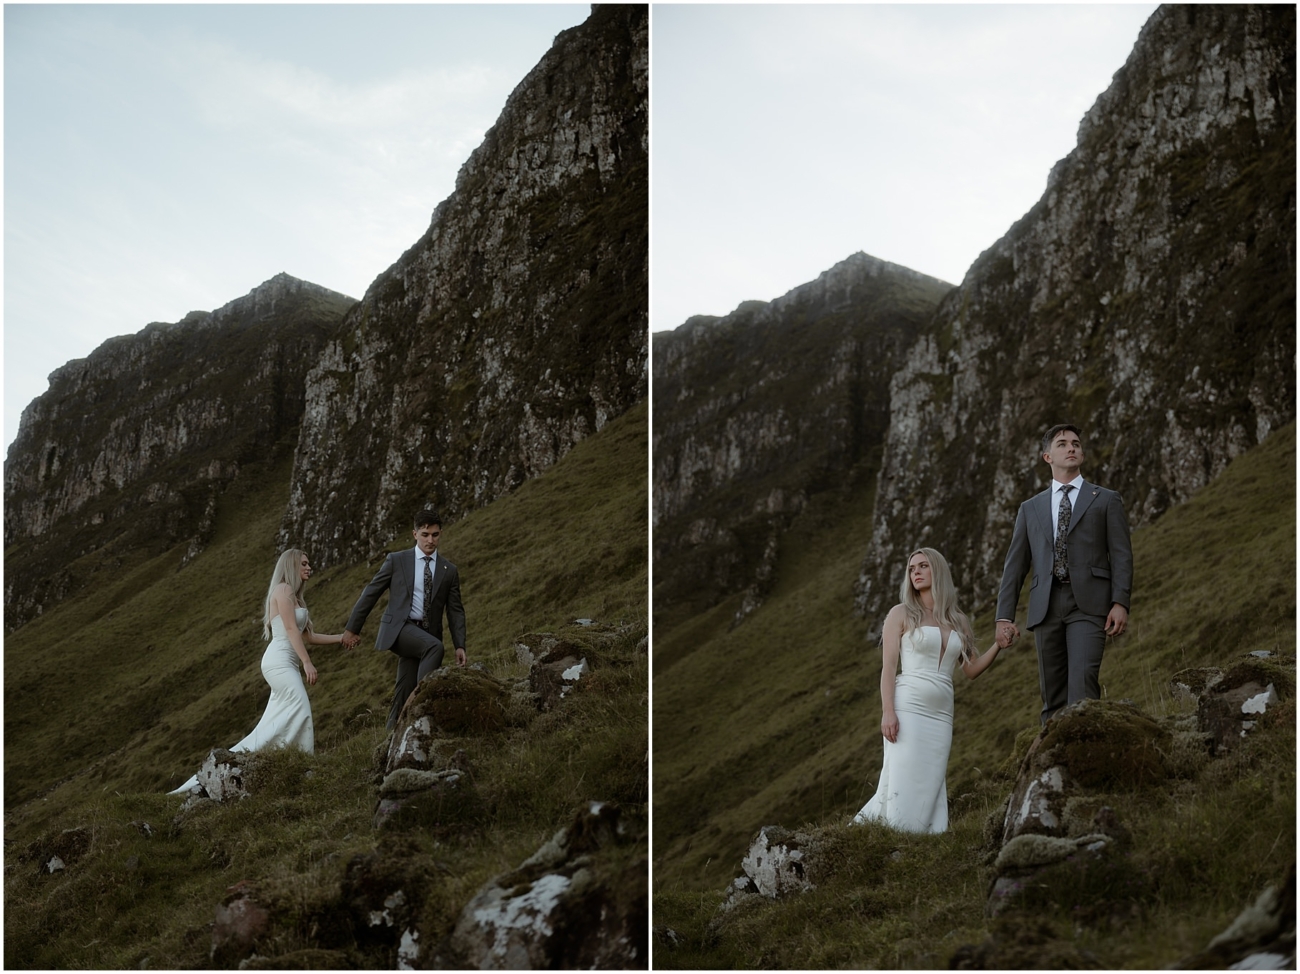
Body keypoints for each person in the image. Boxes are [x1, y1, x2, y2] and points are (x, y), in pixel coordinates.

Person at [852, 548, 1005, 833]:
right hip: (908, 706)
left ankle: (926, 835)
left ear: (938, 571)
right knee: (903, 776)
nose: (916, 573)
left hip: (942, 715)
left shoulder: (958, 620)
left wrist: (998, 645)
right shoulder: (900, 613)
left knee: (931, 778)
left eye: (923, 566)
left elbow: (970, 670)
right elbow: (888, 668)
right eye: (912, 569)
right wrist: (888, 712)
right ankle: (895, 834)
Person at [170, 549, 347, 794]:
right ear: (291, 566)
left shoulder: (296, 597)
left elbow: (310, 636)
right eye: (304, 563)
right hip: (278, 662)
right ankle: (304, 764)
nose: (309, 567)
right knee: (302, 708)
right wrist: (307, 662)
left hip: (287, 663)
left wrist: (342, 637)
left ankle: (274, 762)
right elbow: (290, 629)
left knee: (277, 721)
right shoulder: (283, 590)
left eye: (309, 563)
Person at [995, 423, 1132, 725]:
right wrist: (1004, 616)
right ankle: (1053, 765)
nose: (1071, 447)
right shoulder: (1030, 508)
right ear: (1047, 457)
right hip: (1045, 607)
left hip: (1089, 604)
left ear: (1082, 453)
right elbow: (1015, 565)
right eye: (1062, 444)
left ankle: (1087, 757)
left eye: (1076, 443)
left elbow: (1121, 555)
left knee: (1082, 686)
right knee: (1052, 696)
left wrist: (1120, 602)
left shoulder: (1106, 499)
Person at [342, 508, 467, 731]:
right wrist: (352, 628)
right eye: (425, 534)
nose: (431, 540)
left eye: (435, 535)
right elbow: (371, 593)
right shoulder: (397, 560)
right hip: (400, 629)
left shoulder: (449, 570)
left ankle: (391, 734)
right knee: (434, 648)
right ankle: (422, 707)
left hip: (426, 634)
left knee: (404, 689)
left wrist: (460, 645)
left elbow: (455, 610)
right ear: (415, 534)